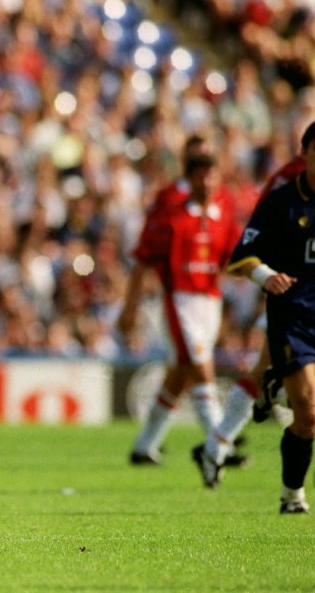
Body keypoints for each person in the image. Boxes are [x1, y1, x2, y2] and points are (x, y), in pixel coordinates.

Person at [203, 89, 315, 490]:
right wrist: (264, 274)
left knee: (291, 382)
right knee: (287, 377)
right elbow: (260, 231)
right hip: (291, 295)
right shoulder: (290, 178)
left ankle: (223, 441)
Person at [119, 152, 241, 466]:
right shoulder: (174, 217)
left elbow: (235, 258)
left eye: (212, 174)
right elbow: (143, 258)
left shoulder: (222, 216)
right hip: (179, 300)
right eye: (200, 175)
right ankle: (218, 444)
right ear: (189, 180)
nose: (207, 182)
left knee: (181, 376)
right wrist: (129, 308)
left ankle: (144, 445)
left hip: (210, 301)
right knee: (201, 367)